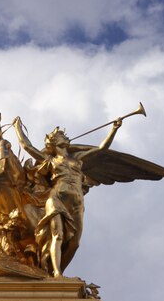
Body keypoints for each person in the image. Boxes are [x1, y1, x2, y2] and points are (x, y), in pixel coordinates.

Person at [13, 116, 122, 277]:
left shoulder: (77, 159)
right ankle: (57, 274)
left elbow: (101, 149)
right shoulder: (50, 160)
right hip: (57, 199)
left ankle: (55, 271)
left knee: (74, 243)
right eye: (61, 136)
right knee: (58, 236)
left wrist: (114, 129)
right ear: (54, 142)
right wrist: (17, 128)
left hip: (77, 202)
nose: (66, 136)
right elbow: (27, 146)